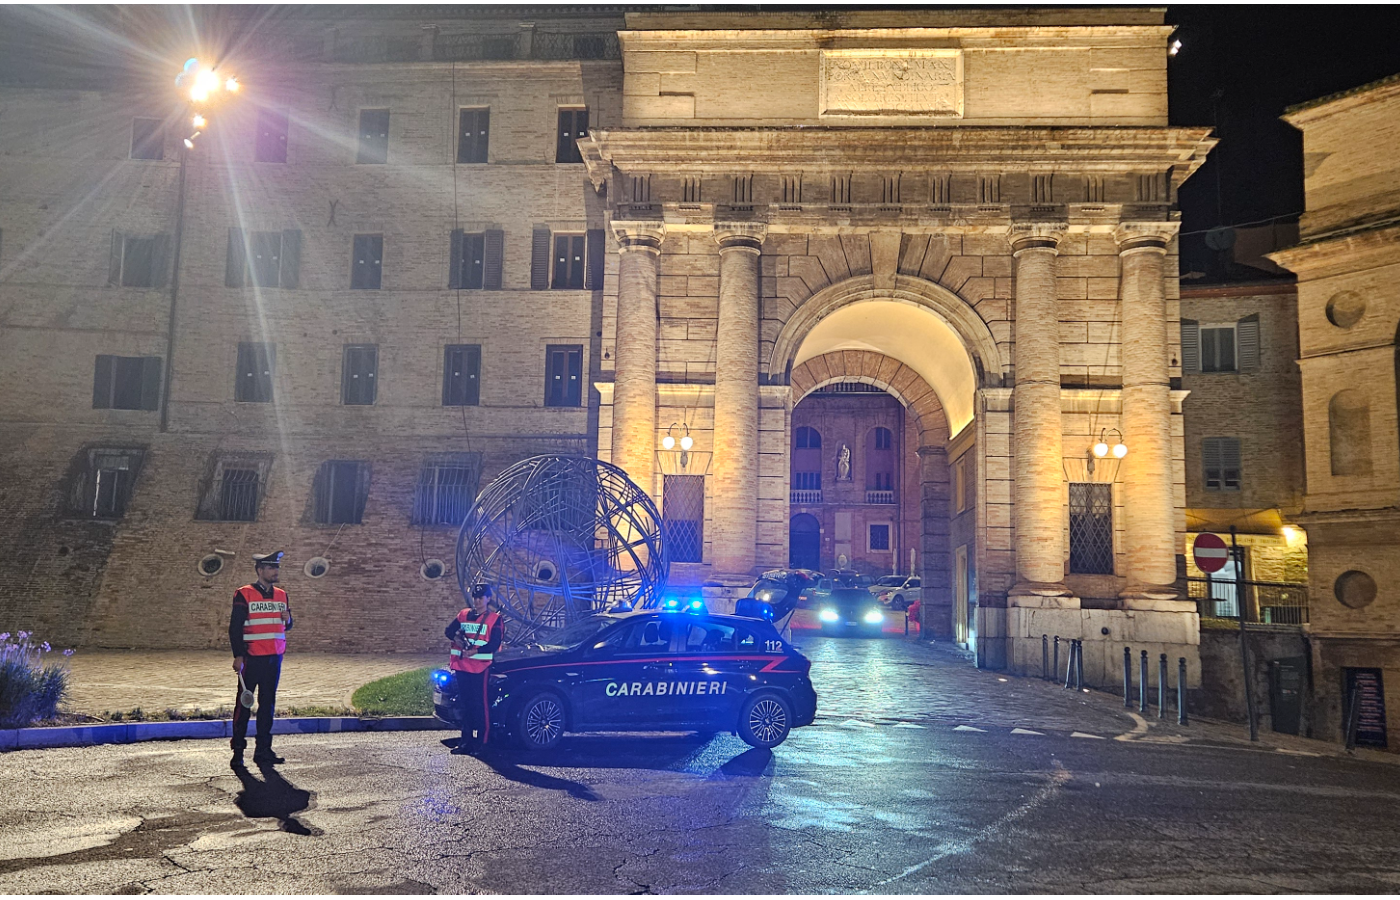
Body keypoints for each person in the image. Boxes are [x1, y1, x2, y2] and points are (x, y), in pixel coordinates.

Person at [230, 551, 293, 768]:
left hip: (273, 659)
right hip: (251, 658)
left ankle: (263, 750)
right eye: (271, 568)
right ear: (260, 570)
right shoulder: (244, 594)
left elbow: (286, 624)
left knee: (268, 705)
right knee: (244, 704)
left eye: (277, 567)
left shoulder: (282, 594)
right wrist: (238, 655)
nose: (276, 571)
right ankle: (237, 751)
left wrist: (289, 619)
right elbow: (235, 628)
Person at [444, 583, 504, 755]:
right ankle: (466, 742)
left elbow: (494, 644)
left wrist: (474, 650)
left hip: (481, 668)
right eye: (475, 597)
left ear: (488, 599)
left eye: (481, 597)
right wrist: (459, 639)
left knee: (480, 706)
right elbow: (448, 631)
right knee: (466, 705)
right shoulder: (464, 614)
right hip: (462, 666)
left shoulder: (495, 619)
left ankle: (482, 744)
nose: (477, 601)